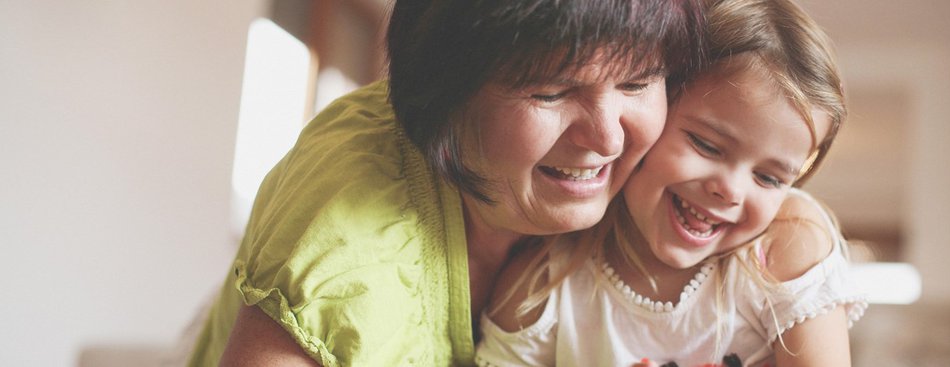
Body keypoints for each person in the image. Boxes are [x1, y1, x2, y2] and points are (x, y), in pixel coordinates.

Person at [186, 0, 706, 366]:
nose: (608, 137)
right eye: (550, 93)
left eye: (638, 82)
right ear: (448, 95)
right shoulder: (347, 247)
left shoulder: (664, 179)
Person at [475, 0, 867, 365]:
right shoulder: (539, 291)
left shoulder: (788, 248)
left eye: (768, 177)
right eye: (706, 145)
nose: (730, 190)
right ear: (654, 109)